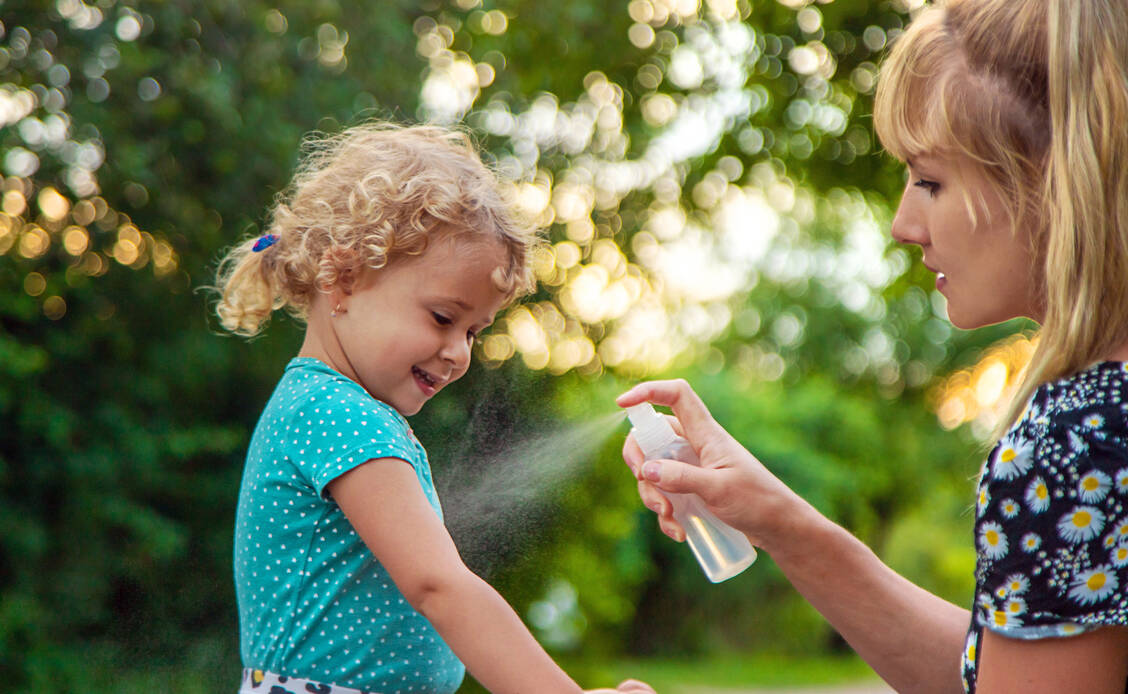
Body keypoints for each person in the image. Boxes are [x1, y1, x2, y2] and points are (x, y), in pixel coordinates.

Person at [619, 1, 1128, 692]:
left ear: (1058, 179)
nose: (902, 224)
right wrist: (776, 520)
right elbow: (1001, 673)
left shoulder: (1074, 442)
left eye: (930, 181)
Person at [214, 122, 653, 694]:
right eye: (444, 318)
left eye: (474, 331)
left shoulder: (328, 407)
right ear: (343, 278)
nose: (458, 353)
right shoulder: (335, 413)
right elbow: (439, 586)